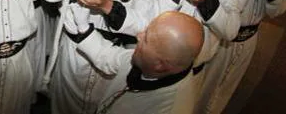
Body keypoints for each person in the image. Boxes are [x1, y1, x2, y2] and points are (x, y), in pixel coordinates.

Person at [65, 8, 204, 114]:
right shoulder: (150, 61)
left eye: (146, 39)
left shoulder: (170, 108)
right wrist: (83, 27)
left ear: (160, 65)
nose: (138, 36)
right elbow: (110, 57)